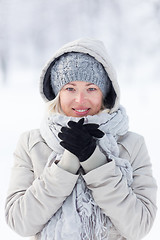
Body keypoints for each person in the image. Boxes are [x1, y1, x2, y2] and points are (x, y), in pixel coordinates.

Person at [5, 38, 157, 240]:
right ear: (57, 93)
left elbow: (138, 226)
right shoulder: (32, 143)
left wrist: (95, 162)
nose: (80, 100)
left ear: (105, 94)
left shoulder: (132, 145)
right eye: (70, 88)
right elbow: (20, 223)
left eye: (91, 88)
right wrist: (66, 165)